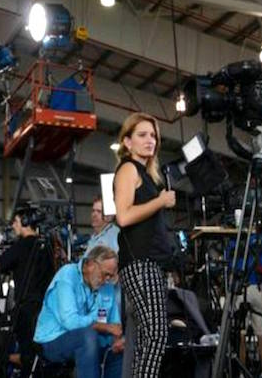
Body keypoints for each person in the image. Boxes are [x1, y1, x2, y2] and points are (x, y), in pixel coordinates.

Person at [113, 112, 175, 377]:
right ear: (127, 142)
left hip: (149, 264)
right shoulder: (128, 169)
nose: (150, 140)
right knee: (157, 336)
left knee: (145, 340)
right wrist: (160, 202)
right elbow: (124, 216)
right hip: (140, 264)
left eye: (153, 135)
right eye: (142, 135)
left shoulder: (147, 175)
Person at [0, 205, 54, 373]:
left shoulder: (22, 246)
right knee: (37, 354)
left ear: (26, 222)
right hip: (44, 309)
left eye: (15, 221)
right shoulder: (47, 247)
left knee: (27, 354)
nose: (13, 226)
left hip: (26, 310)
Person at [34, 245, 123, 378]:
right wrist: (101, 326)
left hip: (93, 340)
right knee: (88, 337)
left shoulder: (107, 286)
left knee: (119, 351)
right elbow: (70, 322)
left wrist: (118, 340)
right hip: (54, 339)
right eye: (105, 274)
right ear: (91, 264)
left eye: (110, 276)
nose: (106, 280)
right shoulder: (68, 276)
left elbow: (115, 323)